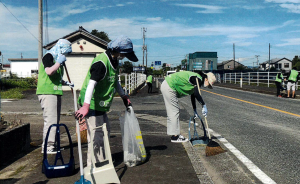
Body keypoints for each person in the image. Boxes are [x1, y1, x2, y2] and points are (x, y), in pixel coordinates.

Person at [75, 35, 138, 166]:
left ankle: (101, 161)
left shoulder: (114, 61)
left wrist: (123, 96)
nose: (125, 57)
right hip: (91, 104)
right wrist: (85, 106)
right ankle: (94, 166)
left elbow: (114, 81)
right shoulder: (101, 63)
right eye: (124, 54)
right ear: (117, 50)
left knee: (105, 132)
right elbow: (91, 84)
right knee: (96, 137)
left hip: (101, 105)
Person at [36, 39, 73, 154]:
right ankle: (47, 147)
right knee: (50, 120)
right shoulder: (48, 56)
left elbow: (55, 77)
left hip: (55, 92)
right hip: (47, 92)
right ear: (60, 48)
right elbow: (49, 72)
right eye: (65, 52)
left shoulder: (57, 60)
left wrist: (65, 82)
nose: (65, 54)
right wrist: (58, 63)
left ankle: (53, 145)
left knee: (55, 121)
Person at [160, 71, 216, 143]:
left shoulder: (197, 79)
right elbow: (196, 92)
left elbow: (193, 95)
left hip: (168, 85)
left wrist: (195, 110)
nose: (207, 86)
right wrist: (203, 105)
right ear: (206, 79)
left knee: (172, 111)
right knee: (174, 111)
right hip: (169, 86)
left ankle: (174, 135)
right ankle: (175, 136)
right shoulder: (197, 78)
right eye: (209, 84)